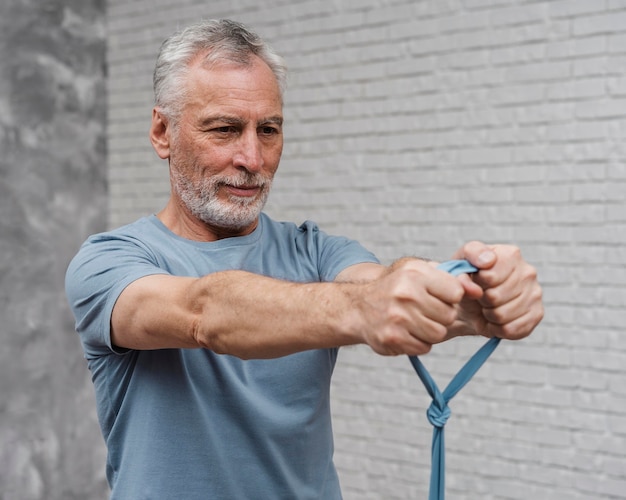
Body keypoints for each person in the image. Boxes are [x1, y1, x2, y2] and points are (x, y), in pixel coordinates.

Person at [65, 18, 544, 499]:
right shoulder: (109, 262)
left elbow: (382, 284)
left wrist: (480, 296)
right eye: (225, 129)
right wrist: (360, 307)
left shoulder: (317, 251)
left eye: (268, 130)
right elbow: (203, 312)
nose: (253, 158)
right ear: (162, 132)